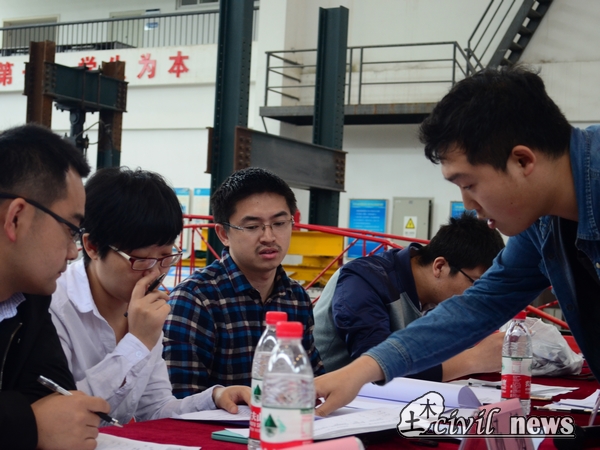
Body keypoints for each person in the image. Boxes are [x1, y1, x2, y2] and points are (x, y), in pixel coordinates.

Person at [313, 64, 600, 417]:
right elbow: (479, 306)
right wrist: (362, 371)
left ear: (522, 160)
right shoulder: (542, 223)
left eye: (469, 184)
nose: (469, 205)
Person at [50, 167, 250, 426]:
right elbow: (61, 413)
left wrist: (214, 397)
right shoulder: (53, 306)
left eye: (166, 256)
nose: (156, 273)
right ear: (92, 246)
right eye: (141, 259)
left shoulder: (144, 308)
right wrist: (137, 342)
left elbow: (155, 409)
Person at [164, 167, 324, 397]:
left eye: (280, 223)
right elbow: (181, 399)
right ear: (223, 234)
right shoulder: (195, 299)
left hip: (283, 417)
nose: (268, 237)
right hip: (217, 421)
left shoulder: (296, 298)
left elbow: (311, 383)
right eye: (252, 227)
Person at [0, 124, 110, 449]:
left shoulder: (30, 300)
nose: (74, 251)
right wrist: (28, 426)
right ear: (16, 218)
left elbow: (55, 399)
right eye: (70, 229)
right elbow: (42, 419)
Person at [313, 213, 505, 379]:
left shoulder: (436, 298)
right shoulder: (364, 280)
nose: (480, 296)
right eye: (476, 283)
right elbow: (377, 367)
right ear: (439, 267)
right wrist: (474, 360)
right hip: (324, 401)